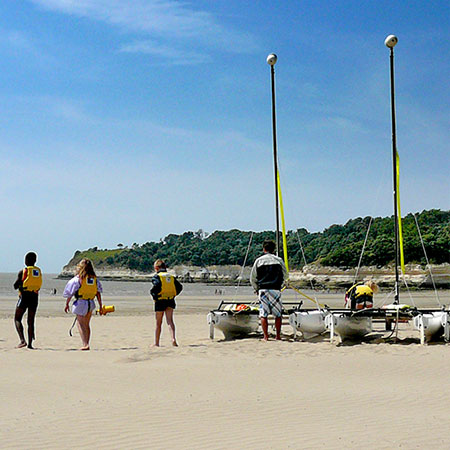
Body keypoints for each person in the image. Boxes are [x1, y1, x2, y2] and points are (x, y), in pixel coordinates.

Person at [250, 240, 288, 341]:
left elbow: (253, 278)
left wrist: (256, 288)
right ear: (274, 249)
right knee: (278, 314)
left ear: (264, 249)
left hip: (263, 289)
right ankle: (278, 336)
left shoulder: (258, 261)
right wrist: (282, 284)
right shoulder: (278, 260)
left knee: (263, 313)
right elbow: (286, 275)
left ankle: (265, 336)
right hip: (275, 289)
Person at [63, 259, 103, 350]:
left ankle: (85, 344)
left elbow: (70, 292)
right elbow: (98, 293)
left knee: (80, 323)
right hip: (91, 303)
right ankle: (87, 342)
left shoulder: (78, 279)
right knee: (87, 324)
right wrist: (100, 306)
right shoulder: (94, 279)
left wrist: (67, 304)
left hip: (81, 302)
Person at [150, 259, 183, 347]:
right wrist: (174, 294)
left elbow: (156, 286)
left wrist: (154, 295)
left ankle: (156, 343)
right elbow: (179, 287)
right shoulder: (171, 276)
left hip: (160, 300)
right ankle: (173, 339)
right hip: (170, 300)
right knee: (170, 321)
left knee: (158, 323)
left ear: (157, 268)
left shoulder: (157, 276)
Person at [13, 252, 42, 349]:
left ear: (26, 261)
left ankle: (22, 340)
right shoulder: (38, 271)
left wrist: (20, 284)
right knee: (31, 321)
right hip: (34, 296)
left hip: (25, 296)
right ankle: (30, 344)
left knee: (17, 318)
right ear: (35, 261)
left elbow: (15, 286)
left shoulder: (23, 271)